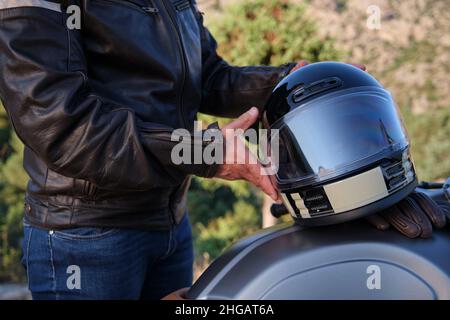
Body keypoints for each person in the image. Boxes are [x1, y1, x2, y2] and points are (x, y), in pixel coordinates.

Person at [0, 1, 442, 300]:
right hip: (87, 236)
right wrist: (207, 153)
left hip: (170, 220)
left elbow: (206, 77)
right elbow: (61, 123)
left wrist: (289, 82)